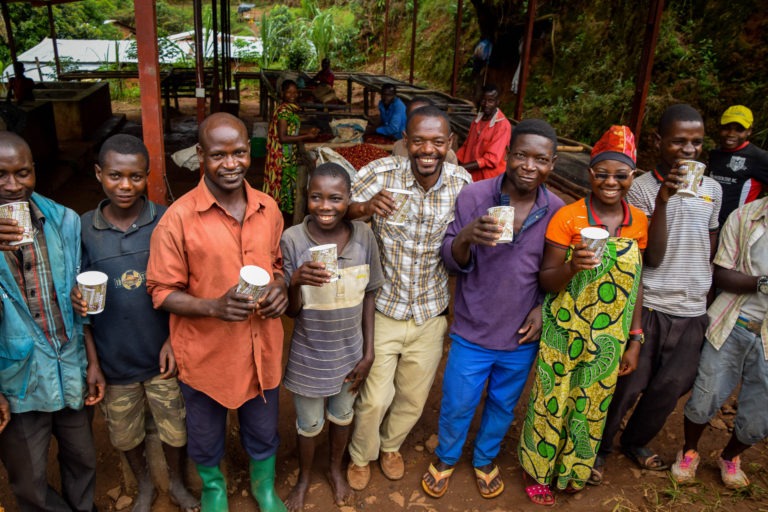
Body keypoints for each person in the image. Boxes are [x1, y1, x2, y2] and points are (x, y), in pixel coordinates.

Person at [146, 113, 289, 512]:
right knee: (205, 434)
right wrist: (213, 306)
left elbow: (277, 265)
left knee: (262, 428)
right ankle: (214, 489)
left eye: (239, 152)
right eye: (218, 155)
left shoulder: (269, 208)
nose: (231, 164)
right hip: (206, 354)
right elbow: (160, 290)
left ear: (249, 152)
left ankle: (264, 489)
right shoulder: (177, 219)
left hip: (261, 350)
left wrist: (280, 288)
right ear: (200, 155)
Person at [421, 119, 564, 500]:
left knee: (503, 403)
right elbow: (451, 260)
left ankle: (485, 458)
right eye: (521, 155)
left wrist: (541, 309)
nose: (529, 166)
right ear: (506, 155)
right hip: (472, 328)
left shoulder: (557, 210)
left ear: (553, 164)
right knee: (458, 401)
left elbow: (553, 272)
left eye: (541, 159)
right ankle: (447, 456)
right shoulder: (475, 196)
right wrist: (467, 236)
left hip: (520, 333)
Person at [518, 125, 648, 504]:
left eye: (620, 175)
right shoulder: (569, 217)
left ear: (631, 177)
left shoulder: (638, 222)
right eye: (601, 173)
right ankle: (537, 471)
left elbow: (636, 284)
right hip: (565, 328)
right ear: (589, 174)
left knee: (592, 403)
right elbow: (546, 279)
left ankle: (574, 469)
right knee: (550, 399)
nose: (610, 181)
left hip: (611, 335)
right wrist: (573, 266)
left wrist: (635, 338)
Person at [345, 105, 472, 490]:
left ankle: (390, 447)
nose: (427, 149)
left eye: (437, 141)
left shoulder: (462, 184)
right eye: (419, 141)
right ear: (406, 143)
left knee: (413, 398)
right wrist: (365, 208)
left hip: (431, 312)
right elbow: (336, 208)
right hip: (384, 308)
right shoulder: (381, 173)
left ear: (449, 143)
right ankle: (360, 455)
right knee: (373, 399)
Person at [70, 134, 199, 512]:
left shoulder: (165, 220)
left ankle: (174, 483)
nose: (125, 186)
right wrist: (93, 361)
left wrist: (175, 339)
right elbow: (79, 303)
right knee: (125, 435)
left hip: (163, 355)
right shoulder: (83, 229)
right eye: (115, 176)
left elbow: (187, 284)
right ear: (98, 174)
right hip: (113, 360)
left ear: (147, 175)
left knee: (176, 429)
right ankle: (143, 485)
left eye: (135, 177)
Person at [599, 105, 722, 477]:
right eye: (678, 141)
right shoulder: (639, 188)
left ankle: (635, 440)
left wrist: (704, 291)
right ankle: (600, 447)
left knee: (670, 388)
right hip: (651, 303)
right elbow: (650, 257)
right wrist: (664, 202)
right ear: (658, 142)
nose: (688, 150)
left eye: (696, 142)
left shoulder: (713, 189)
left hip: (691, 309)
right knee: (627, 384)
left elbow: (710, 242)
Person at [0, 130, 104, 511]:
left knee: (83, 460)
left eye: (23, 173)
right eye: (1, 175)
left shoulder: (64, 221)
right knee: (28, 480)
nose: (13, 186)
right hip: (17, 380)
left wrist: (91, 360)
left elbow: (80, 301)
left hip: (70, 365)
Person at [281, 163, 384, 511]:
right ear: (307, 197)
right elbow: (292, 312)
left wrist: (368, 354)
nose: (325, 206)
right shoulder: (293, 238)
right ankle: (305, 477)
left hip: (350, 353)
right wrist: (295, 281)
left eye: (335, 198)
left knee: (342, 417)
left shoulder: (364, 236)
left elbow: (370, 295)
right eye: (316, 197)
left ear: (350, 199)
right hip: (309, 354)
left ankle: (335, 470)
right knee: (308, 424)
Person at [670, 196, 768, 490]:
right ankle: (689, 451)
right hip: (732, 323)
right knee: (705, 395)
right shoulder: (745, 217)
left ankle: (730, 457)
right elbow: (723, 275)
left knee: (760, 415)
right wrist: (763, 283)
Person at [264, 79, 320, 219]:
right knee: (282, 185)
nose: (292, 95)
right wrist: (306, 136)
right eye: (289, 92)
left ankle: (280, 217)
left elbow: (292, 131)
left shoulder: (290, 109)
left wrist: (307, 131)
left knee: (285, 185)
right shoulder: (283, 111)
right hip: (282, 155)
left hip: (287, 153)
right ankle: (277, 219)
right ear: (282, 93)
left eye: (295, 92)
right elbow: (283, 138)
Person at [708, 105, 768, 225]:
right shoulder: (715, 155)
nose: (731, 134)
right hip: (708, 225)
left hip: (737, 228)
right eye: (727, 128)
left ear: (749, 131)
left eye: (739, 129)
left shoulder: (758, 157)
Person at [455, 84, 512, 182]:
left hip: (489, 179)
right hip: (471, 175)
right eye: (483, 100)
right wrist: (453, 162)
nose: (486, 104)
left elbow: (491, 159)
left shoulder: (502, 125)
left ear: (497, 102)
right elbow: (466, 147)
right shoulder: (477, 121)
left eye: (490, 101)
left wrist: (461, 168)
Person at [392, 96, 458, 166]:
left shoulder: (448, 155)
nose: (427, 150)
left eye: (438, 142)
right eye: (417, 141)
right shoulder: (398, 147)